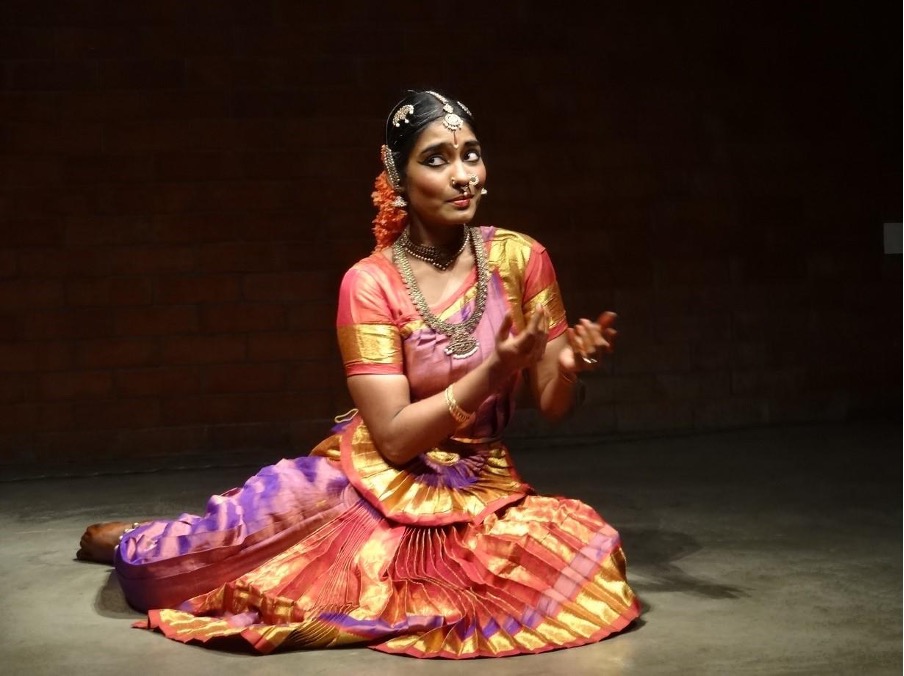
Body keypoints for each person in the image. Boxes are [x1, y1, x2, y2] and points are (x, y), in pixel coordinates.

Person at [77, 88, 641, 659]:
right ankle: (141, 535)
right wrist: (494, 368)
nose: (463, 175)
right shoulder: (369, 283)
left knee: (585, 551)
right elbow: (394, 438)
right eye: (437, 159)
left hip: (482, 486)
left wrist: (567, 368)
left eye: (471, 154)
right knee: (206, 561)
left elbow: (551, 403)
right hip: (371, 480)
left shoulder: (521, 258)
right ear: (396, 174)